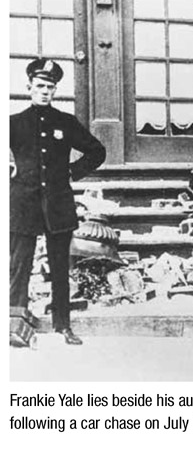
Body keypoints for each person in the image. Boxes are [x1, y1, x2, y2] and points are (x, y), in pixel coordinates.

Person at [10, 58, 106, 346]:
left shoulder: (65, 123)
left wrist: (72, 172)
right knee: (19, 265)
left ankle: (63, 325)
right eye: (39, 86)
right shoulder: (13, 123)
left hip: (58, 204)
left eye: (49, 87)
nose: (44, 91)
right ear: (29, 87)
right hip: (22, 204)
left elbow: (97, 151)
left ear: (55, 90)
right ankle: (15, 323)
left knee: (60, 267)